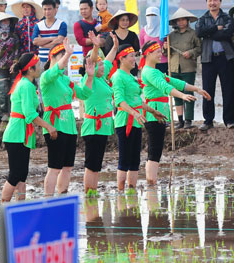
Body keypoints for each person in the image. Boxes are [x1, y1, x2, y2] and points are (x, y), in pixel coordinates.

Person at [140, 40, 210, 185]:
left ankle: (151, 181)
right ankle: (151, 183)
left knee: (156, 149)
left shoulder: (155, 71)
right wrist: (182, 96)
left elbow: (174, 82)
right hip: (154, 113)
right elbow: (165, 86)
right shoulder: (149, 71)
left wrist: (196, 89)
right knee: (154, 150)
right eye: (157, 52)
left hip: (160, 113)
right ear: (148, 54)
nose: (161, 54)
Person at [1, 53, 57, 202]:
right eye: (37, 66)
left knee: (22, 174)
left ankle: (20, 205)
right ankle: (4, 206)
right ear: (30, 70)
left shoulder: (26, 84)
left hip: (22, 133)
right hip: (16, 134)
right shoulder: (26, 86)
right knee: (15, 174)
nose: (39, 68)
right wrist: (49, 126)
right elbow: (30, 114)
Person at [40, 40, 93, 196]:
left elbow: (83, 94)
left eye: (67, 56)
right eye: (62, 56)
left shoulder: (65, 80)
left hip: (69, 125)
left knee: (68, 166)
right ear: (52, 58)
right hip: (54, 124)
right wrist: (68, 53)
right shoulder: (46, 77)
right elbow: (56, 70)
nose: (66, 60)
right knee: (54, 167)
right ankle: (48, 199)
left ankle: (62, 195)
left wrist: (89, 77)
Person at [110, 44, 165, 191]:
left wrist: (153, 111)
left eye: (135, 55)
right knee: (125, 158)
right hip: (124, 121)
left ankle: (132, 191)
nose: (135, 59)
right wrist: (134, 113)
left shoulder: (131, 76)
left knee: (135, 159)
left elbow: (137, 101)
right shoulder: (117, 76)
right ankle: (121, 191)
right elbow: (120, 101)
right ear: (121, 58)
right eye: (131, 56)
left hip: (137, 121)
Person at [78, 32, 118, 195]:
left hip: (103, 127)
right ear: (92, 67)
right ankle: (89, 192)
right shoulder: (90, 79)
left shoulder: (101, 77)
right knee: (91, 163)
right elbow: (95, 60)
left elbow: (107, 60)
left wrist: (115, 46)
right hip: (93, 126)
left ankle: (93, 190)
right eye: (99, 65)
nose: (104, 67)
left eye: (102, 65)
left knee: (97, 163)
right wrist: (95, 46)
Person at [195, 0, 234, 130]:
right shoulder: (202, 19)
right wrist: (216, 28)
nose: (213, 3)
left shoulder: (227, 17)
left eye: (215, 0)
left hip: (225, 57)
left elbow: (227, 33)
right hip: (208, 58)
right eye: (210, 0)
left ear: (220, 2)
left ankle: (229, 120)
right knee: (207, 89)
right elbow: (199, 32)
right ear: (207, 3)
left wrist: (209, 32)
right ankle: (208, 120)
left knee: (228, 89)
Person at [167, 8, 201, 129]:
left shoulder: (194, 34)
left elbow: (199, 48)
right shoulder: (170, 35)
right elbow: (166, 53)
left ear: (187, 20)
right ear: (175, 22)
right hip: (174, 67)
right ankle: (180, 120)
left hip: (188, 68)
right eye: (178, 20)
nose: (181, 22)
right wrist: (166, 47)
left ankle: (188, 120)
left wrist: (191, 52)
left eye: (183, 20)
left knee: (188, 92)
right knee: (177, 94)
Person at [0, 12, 19, 122]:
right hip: (0, 68)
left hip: (12, 67)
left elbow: (16, 52)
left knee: (13, 90)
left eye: (7, 21)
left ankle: (13, 112)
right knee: (3, 90)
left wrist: (15, 64)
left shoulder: (14, 37)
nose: (6, 23)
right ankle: (4, 112)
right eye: (3, 21)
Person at [103, 10, 140, 76]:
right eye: (122, 20)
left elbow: (137, 50)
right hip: (116, 68)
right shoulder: (111, 36)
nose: (125, 22)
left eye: (127, 20)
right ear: (117, 21)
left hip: (131, 67)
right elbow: (107, 53)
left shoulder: (133, 35)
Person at [139, 7, 168, 74]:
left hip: (162, 62)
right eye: (149, 16)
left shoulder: (164, 31)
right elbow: (142, 47)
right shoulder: (143, 31)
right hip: (149, 63)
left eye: (153, 15)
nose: (151, 18)